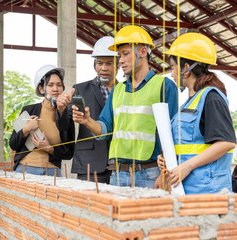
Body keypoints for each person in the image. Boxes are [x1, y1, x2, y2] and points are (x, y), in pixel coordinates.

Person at [72, 25, 178, 188]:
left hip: (150, 174)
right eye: (119, 55)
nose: (120, 60)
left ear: (143, 52)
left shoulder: (164, 86)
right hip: (118, 174)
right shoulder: (118, 89)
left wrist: (166, 174)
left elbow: (173, 134)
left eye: (125, 54)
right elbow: (105, 129)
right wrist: (87, 121)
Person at [157, 33, 236, 194]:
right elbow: (189, 147)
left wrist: (187, 166)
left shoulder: (211, 98)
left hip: (208, 191)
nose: (172, 74)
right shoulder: (190, 102)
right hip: (189, 189)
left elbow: (226, 142)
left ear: (186, 69)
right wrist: (167, 164)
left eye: (173, 67)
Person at [56, 36, 118, 183]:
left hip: (119, 164)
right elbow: (65, 125)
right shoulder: (80, 90)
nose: (104, 68)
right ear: (94, 64)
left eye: (109, 63)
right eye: (99, 63)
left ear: (119, 65)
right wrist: (61, 110)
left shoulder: (125, 91)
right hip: (89, 164)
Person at [9, 65, 74, 176]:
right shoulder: (28, 111)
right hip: (25, 169)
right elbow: (13, 144)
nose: (55, 89)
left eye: (59, 85)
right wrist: (25, 130)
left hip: (52, 172)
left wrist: (49, 148)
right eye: (50, 85)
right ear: (41, 88)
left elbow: (69, 153)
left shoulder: (67, 114)